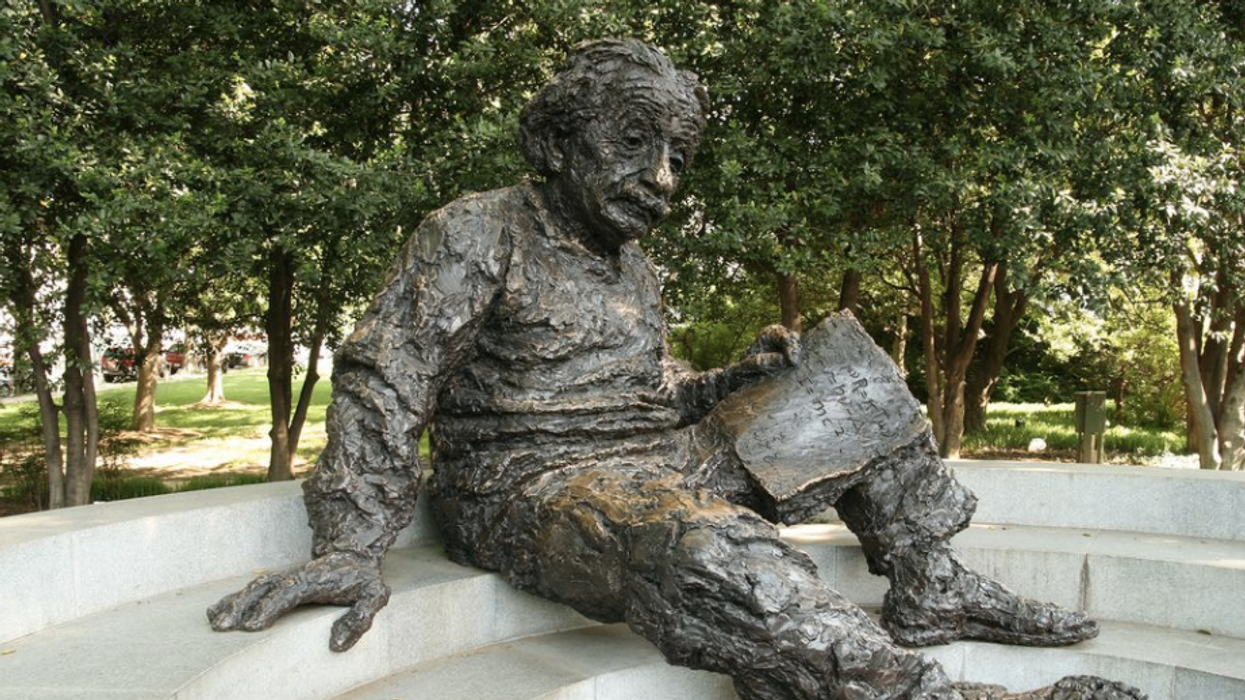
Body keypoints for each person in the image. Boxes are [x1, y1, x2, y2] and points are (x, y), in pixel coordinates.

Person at [209, 39, 1143, 700]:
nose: (661, 178)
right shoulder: (477, 231)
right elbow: (386, 378)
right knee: (702, 544)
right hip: (529, 488)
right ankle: (918, 695)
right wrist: (347, 542)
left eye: (677, 157)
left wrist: (732, 383)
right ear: (554, 144)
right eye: (633, 144)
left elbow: (649, 398)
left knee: (848, 377)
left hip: (655, 464)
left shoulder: (634, 268)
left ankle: (927, 580)